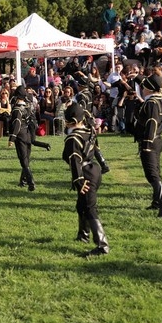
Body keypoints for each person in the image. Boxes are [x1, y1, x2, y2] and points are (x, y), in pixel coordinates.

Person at [62, 102, 109, 256]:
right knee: (81, 205)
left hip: (85, 173)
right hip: (94, 170)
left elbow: (74, 160)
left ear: (72, 121)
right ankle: (83, 235)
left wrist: (78, 181)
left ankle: (102, 245)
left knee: (89, 208)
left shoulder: (73, 138)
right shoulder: (89, 130)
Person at [134, 74, 162, 217]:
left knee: (152, 174)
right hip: (157, 140)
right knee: (155, 171)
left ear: (149, 89)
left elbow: (152, 122)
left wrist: (147, 143)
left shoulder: (152, 103)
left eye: (144, 87)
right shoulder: (159, 99)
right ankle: (157, 201)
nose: (142, 89)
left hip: (151, 140)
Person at [8, 86, 35, 191]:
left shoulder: (17, 110)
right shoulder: (28, 107)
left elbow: (17, 124)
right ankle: (22, 181)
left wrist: (12, 138)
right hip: (28, 135)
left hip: (20, 136)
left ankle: (31, 182)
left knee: (23, 160)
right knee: (26, 159)